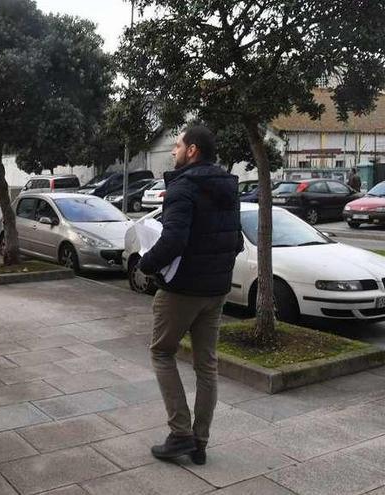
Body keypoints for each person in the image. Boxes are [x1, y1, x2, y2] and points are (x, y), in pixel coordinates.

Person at [139, 126, 242, 465]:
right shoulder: (229, 186)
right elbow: (236, 241)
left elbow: (173, 242)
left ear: (193, 150)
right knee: (206, 366)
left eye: (178, 145)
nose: (173, 150)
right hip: (216, 290)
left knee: (162, 353)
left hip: (182, 290)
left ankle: (180, 433)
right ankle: (200, 442)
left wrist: (146, 264)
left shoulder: (183, 187)